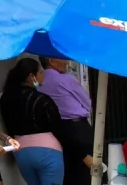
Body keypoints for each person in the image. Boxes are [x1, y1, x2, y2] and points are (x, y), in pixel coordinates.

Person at [0, 57, 64, 185]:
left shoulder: (5, 99)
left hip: (21, 152)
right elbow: (58, 126)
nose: (43, 75)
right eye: (40, 72)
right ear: (31, 76)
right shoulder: (42, 99)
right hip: (48, 152)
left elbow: (9, 125)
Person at [39, 56, 95, 185]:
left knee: (68, 171)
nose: (66, 62)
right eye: (62, 59)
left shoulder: (39, 82)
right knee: (87, 169)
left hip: (56, 131)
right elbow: (87, 103)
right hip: (77, 127)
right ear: (51, 61)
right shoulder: (66, 79)